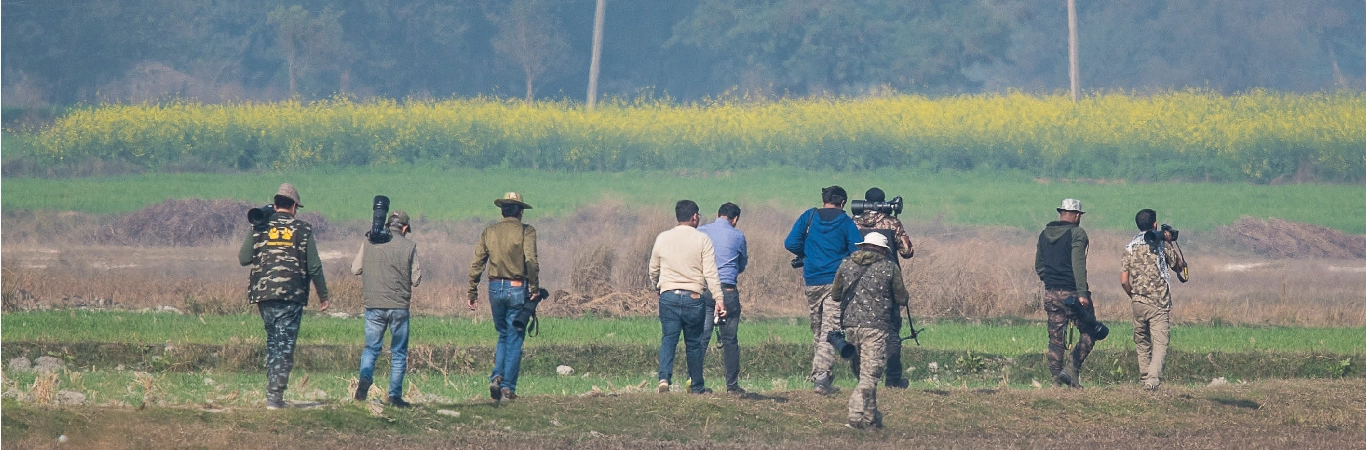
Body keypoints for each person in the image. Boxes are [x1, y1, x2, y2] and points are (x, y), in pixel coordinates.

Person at [237, 183, 330, 410]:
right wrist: (323, 296)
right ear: (295, 206)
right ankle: (275, 398)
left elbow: (243, 258)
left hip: (264, 294)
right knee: (285, 345)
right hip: (291, 294)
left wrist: (256, 228)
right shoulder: (303, 229)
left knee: (273, 342)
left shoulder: (260, 226)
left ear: (275, 204)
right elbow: (314, 267)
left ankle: (273, 393)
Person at [784, 186, 862, 395]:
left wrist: (807, 253)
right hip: (836, 281)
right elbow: (857, 251)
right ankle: (821, 376)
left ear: (824, 199)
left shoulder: (809, 217)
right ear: (843, 203)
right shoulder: (846, 222)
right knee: (830, 329)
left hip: (812, 281)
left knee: (819, 328)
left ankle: (821, 374)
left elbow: (790, 242)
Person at [830, 233, 908, 429]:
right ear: (883, 249)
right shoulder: (889, 267)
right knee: (869, 376)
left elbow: (835, 294)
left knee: (862, 374)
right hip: (876, 328)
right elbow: (902, 298)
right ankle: (856, 418)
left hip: (851, 326)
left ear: (863, 246)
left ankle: (871, 418)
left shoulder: (846, 263)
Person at [469, 192, 540, 401]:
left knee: (502, 335)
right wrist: (535, 288)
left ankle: (497, 376)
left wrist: (472, 291)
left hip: (494, 288)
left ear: (502, 210)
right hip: (517, 288)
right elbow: (531, 261)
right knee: (515, 338)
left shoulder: (489, 232)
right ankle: (508, 387)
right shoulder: (527, 231)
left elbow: (477, 264)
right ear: (519, 211)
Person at [649, 200, 724, 394]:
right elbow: (711, 273)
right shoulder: (703, 240)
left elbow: (653, 269)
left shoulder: (663, 238)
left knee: (668, 339)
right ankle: (696, 386)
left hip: (668, 296)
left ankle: (664, 379)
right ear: (695, 217)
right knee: (694, 343)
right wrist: (719, 298)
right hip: (693, 297)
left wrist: (658, 286)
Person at [351, 209, 423, 407]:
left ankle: (365, 379)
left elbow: (355, 269)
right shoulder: (410, 246)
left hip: (373, 305)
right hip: (399, 307)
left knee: (371, 349)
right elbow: (416, 279)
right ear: (405, 228)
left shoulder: (369, 241)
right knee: (398, 352)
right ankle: (394, 396)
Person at [851, 187, 915, 389]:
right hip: (887, 278)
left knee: (858, 328)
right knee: (892, 332)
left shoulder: (853, 222)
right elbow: (907, 251)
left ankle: (863, 378)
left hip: (857, 279)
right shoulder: (892, 223)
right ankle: (894, 379)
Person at [1035, 198, 1093, 388]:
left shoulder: (1044, 234)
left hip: (1051, 292)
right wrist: (1082, 292)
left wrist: (1050, 282)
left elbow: (1039, 266)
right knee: (1092, 330)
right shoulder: (1077, 233)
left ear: (1061, 213)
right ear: (1077, 216)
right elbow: (1078, 264)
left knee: (1055, 339)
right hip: (1073, 293)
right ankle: (1071, 368)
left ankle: (1056, 381)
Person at [1121, 209, 1180, 391]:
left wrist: (1135, 296)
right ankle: (1152, 380)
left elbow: (1124, 281)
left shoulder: (1130, 247)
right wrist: (1169, 242)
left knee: (1142, 341)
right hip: (1159, 303)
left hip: (1137, 302)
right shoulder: (1160, 245)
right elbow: (1178, 266)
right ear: (1155, 224)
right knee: (1161, 342)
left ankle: (1145, 378)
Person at [697, 202, 748, 394]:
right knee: (730, 340)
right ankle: (732, 386)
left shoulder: (701, 231)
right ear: (734, 219)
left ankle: (694, 382)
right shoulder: (738, 235)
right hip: (727, 291)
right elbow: (742, 263)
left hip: (704, 290)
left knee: (702, 337)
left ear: (717, 214)